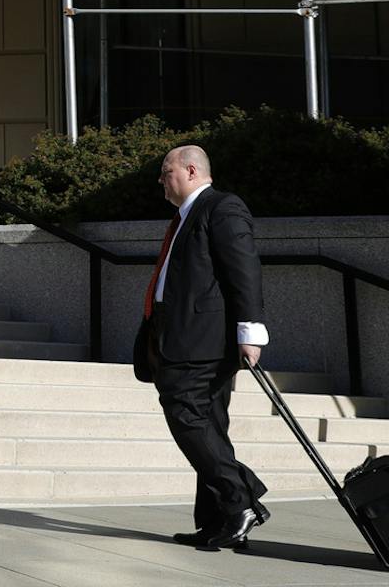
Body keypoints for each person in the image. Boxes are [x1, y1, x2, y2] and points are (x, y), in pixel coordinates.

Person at [133, 144, 270, 551]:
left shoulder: (221, 207)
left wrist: (250, 331)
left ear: (191, 171)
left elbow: (244, 269)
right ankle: (220, 520)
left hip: (201, 342)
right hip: (179, 338)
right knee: (210, 427)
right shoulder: (184, 217)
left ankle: (241, 499)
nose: (161, 179)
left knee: (185, 414)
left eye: (166, 170)